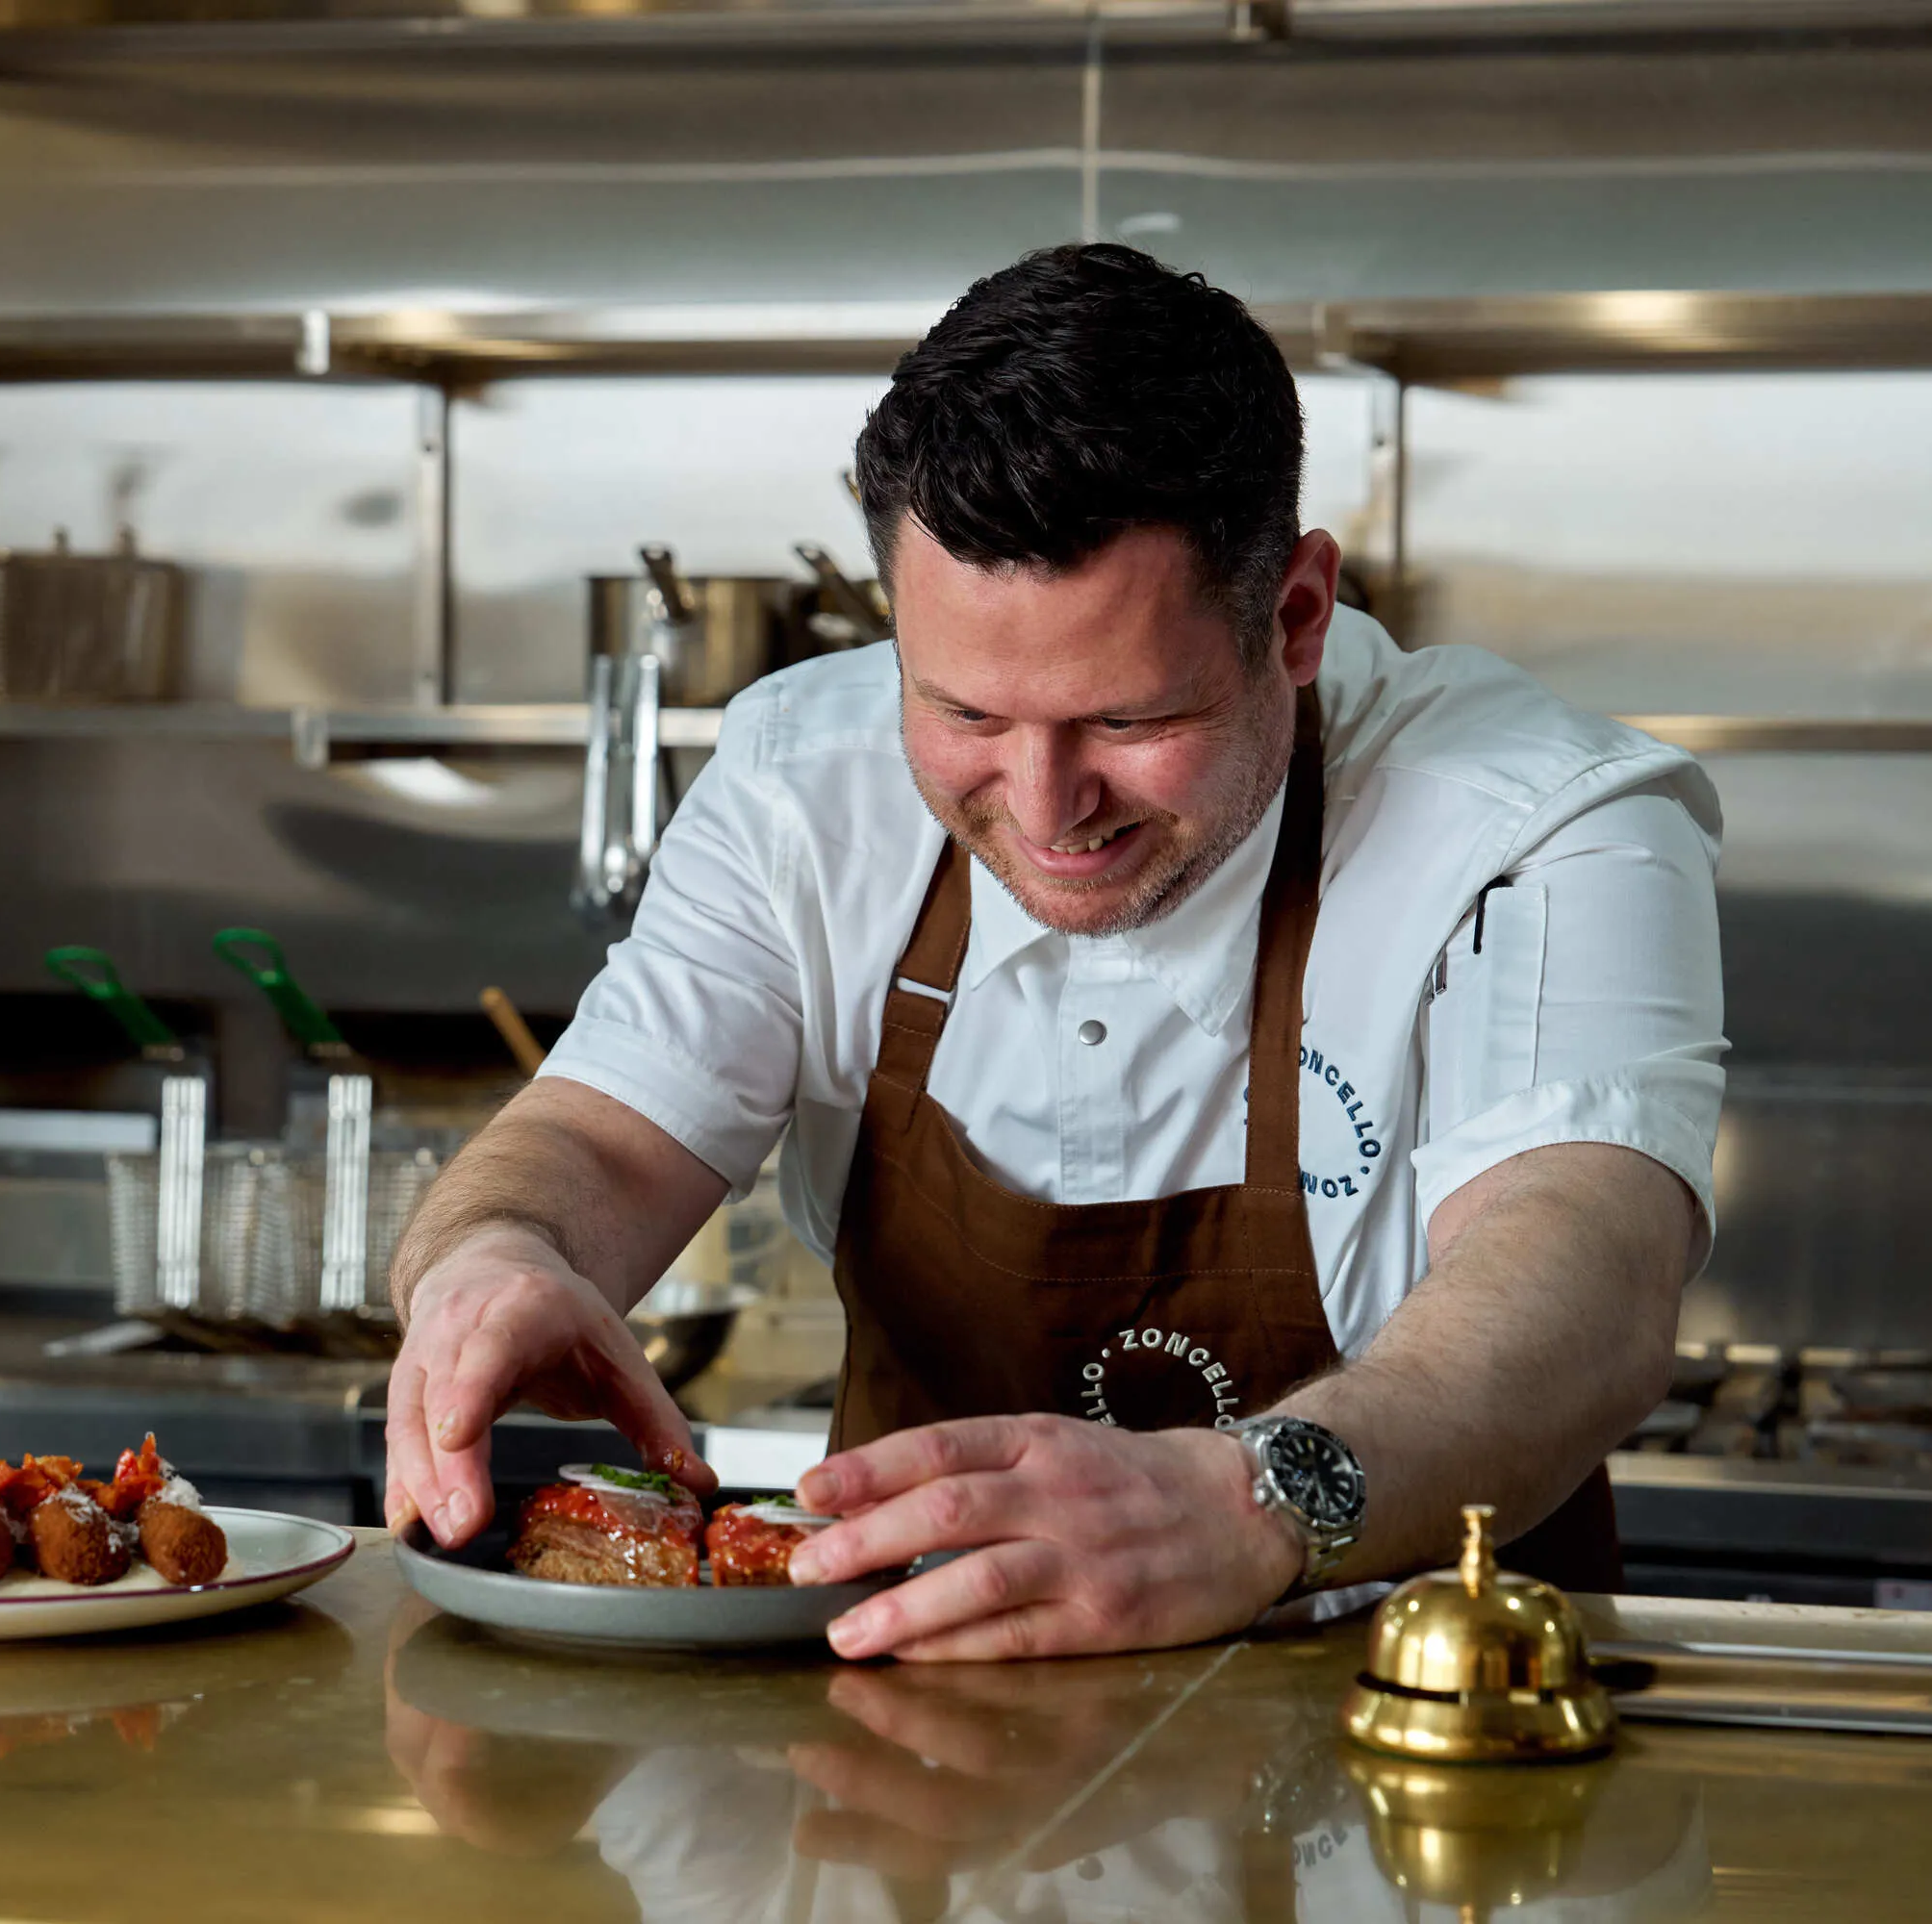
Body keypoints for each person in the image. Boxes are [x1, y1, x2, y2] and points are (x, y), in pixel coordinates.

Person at [385, 243, 1724, 1660]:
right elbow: (598, 1136)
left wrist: (1266, 1498)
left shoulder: (1543, 823)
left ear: (1297, 617)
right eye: (964, 714)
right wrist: (492, 1254)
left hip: (1423, 1728)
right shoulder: (800, 778)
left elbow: (1586, 1269)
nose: (1042, 807)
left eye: (1131, 722)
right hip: (910, 1749)